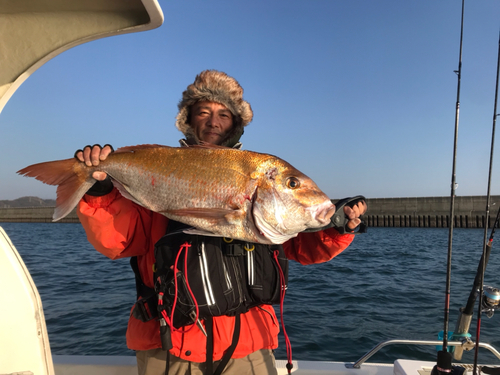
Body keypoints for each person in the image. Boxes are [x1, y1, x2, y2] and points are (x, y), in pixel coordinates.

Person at [75, 70, 367, 375]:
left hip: (250, 345)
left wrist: (337, 226)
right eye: (203, 111)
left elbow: (303, 247)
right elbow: (117, 241)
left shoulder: (260, 181)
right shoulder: (159, 174)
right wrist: (100, 192)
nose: (213, 121)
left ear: (235, 126)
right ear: (188, 120)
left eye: (224, 114)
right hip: (169, 344)